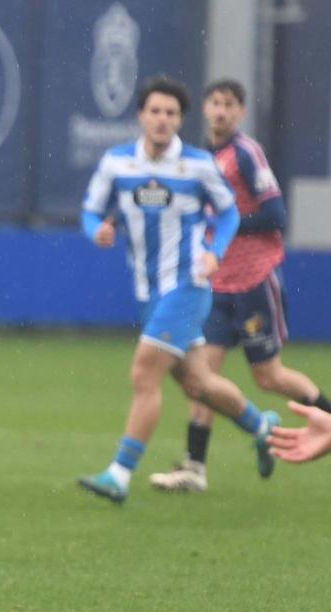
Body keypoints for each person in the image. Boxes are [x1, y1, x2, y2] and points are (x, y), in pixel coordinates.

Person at [78, 76, 280, 504]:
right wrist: (98, 230)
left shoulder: (197, 165)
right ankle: (263, 427)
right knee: (199, 385)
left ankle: (119, 473)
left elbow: (227, 215)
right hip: (148, 291)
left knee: (143, 373)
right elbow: (90, 211)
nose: (162, 119)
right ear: (141, 115)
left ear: (180, 120)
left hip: (188, 284)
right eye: (155, 111)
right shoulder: (117, 163)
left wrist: (214, 252)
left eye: (171, 113)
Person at [149, 78, 331, 492]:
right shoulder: (197, 159)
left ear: (240, 112)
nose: (220, 111)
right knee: (204, 377)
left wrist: (224, 228)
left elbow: (275, 216)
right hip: (216, 285)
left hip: (253, 280)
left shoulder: (245, 155)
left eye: (229, 104)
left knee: (268, 376)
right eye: (214, 102)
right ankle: (194, 468)